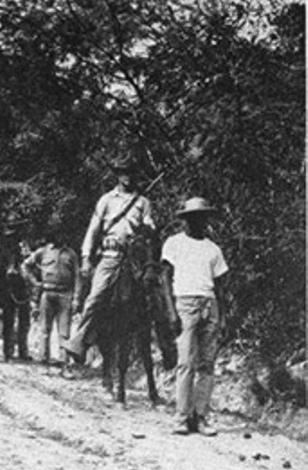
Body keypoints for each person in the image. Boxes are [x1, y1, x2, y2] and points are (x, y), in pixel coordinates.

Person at [64, 155, 156, 363]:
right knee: (95, 297)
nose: (128, 177)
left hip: (135, 257)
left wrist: (149, 227)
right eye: (123, 172)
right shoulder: (106, 200)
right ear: (117, 175)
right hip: (110, 256)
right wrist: (87, 258)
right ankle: (79, 341)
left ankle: (164, 342)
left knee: (155, 295)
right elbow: (92, 232)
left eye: (131, 172)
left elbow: (149, 223)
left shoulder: (143, 202)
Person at [161, 197, 228, 436]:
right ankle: (181, 417)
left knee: (207, 365)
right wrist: (171, 311)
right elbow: (165, 277)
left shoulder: (213, 249)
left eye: (201, 217)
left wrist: (223, 317)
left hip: (209, 305)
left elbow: (220, 286)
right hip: (185, 304)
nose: (197, 222)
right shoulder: (174, 243)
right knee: (185, 364)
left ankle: (201, 416)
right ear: (185, 220)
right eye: (193, 218)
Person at [23, 228, 82, 376]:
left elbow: (77, 277)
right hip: (47, 294)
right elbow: (25, 266)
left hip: (65, 294)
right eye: (56, 234)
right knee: (44, 330)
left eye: (61, 234)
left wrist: (76, 299)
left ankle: (65, 366)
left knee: (64, 333)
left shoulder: (71, 254)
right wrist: (34, 282)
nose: (58, 237)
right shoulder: (42, 252)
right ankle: (43, 363)